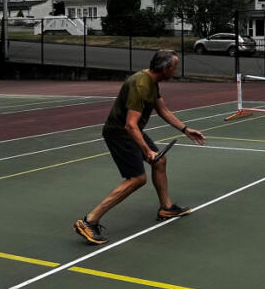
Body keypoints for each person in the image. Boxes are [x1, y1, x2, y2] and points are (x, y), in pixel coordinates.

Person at [74, 49, 206, 245]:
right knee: (137, 179)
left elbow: (163, 110)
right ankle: (89, 221)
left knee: (160, 161)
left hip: (130, 130)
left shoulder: (152, 82)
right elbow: (130, 125)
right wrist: (147, 150)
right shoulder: (141, 85)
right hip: (120, 133)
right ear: (166, 68)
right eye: (175, 67)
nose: (176, 70)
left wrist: (185, 129)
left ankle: (166, 208)